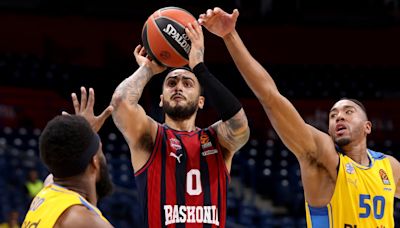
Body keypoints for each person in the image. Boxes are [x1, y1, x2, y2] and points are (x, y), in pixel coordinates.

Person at [199, 7, 400, 228]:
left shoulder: (388, 167)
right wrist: (230, 36)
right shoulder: (325, 156)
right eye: (333, 115)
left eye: (348, 112)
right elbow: (270, 97)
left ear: (368, 127)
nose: (339, 117)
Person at [110, 21, 250, 227]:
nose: (178, 87)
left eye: (187, 83)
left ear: (201, 102)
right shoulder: (151, 136)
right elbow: (121, 103)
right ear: (161, 99)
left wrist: (199, 68)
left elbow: (240, 124)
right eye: (171, 83)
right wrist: (147, 69)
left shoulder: (217, 140)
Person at [22, 87, 114, 228]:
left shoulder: (49, 191)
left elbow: (61, 161)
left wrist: (82, 132)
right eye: (100, 149)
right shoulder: (85, 222)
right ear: (94, 161)